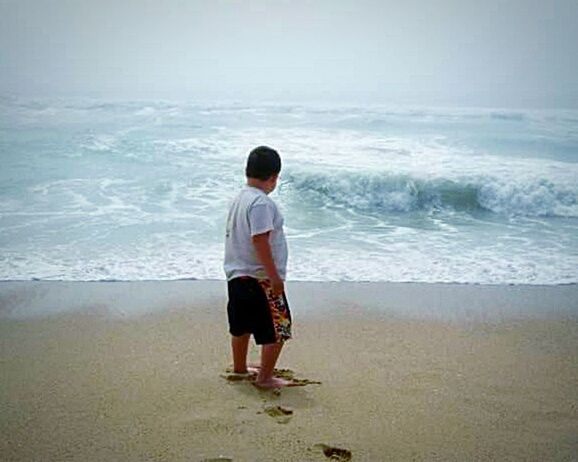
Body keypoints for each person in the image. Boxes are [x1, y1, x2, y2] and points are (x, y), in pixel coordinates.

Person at [224, 145, 293, 388]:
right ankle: (264, 377)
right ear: (274, 177)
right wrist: (274, 276)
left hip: (236, 275)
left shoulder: (239, 199)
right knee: (279, 327)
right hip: (260, 277)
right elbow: (260, 239)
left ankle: (240, 368)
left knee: (240, 326)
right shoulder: (261, 203)